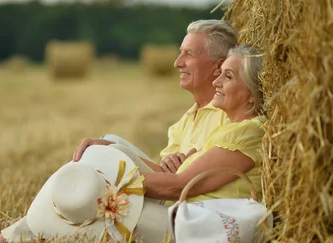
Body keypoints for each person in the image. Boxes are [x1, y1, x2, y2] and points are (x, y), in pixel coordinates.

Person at [0, 44, 266, 243]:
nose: (217, 82)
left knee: (84, 196)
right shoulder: (228, 127)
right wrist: (107, 160)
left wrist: (105, 181)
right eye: (219, 73)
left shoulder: (248, 131)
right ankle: (7, 239)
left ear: (251, 94)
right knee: (105, 155)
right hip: (180, 215)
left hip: (187, 231)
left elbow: (176, 187)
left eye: (228, 76)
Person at [73, 19, 238, 173]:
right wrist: (106, 146)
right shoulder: (183, 123)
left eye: (189, 54)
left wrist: (112, 150)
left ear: (219, 65)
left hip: (192, 201)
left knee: (108, 148)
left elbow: (183, 180)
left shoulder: (231, 115)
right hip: (171, 194)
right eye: (181, 53)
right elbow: (164, 175)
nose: (177, 63)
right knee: (106, 143)